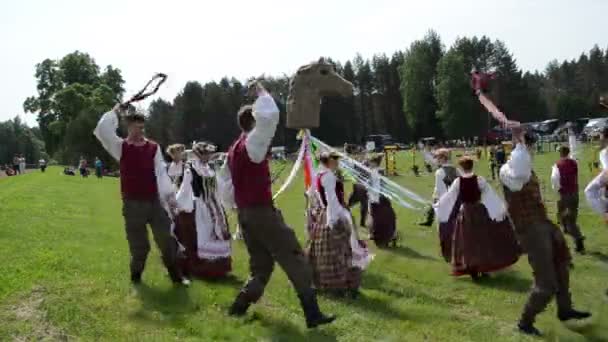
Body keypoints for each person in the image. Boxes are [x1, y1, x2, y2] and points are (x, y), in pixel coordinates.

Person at [220, 82, 335, 328]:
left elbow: (225, 185)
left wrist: (239, 206)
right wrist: (261, 91)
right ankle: (312, 313)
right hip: (260, 212)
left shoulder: (234, 149)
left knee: (261, 266)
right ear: (253, 120)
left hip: (246, 215)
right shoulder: (252, 143)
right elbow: (270, 116)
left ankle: (238, 307)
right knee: (293, 255)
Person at [500, 128, 590, 336]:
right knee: (546, 282)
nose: (532, 151)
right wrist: (520, 144)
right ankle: (525, 322)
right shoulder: (508, 170)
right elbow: (519, 177)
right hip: (529, 230)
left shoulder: (525, 167)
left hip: (543, 224)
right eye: (530, 147)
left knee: (562, 264)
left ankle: (565, 310)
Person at [94, 104, 187, 286]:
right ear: (128, 126)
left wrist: (169, 197)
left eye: (142, 127)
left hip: (153, 202)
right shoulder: (120, 147)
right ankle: (136, 277)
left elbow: (160, 172)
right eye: (137, 127)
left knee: (166, 239)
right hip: (132, 204)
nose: (140, 130)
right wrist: (115, 110)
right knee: (139, 246)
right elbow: (102, 130)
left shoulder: (153, 147)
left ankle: (176, 276)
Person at [435, 156, 520, 280]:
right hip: (479, 211)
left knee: (468, 241)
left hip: (466, 213)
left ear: (461, 167)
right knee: (482, 240)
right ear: (471, 166)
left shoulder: (458, 182)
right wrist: (499, 209)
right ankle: (483, 267)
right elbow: (489, 196)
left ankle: (472, 268)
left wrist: (439, 206)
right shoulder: (480, 180)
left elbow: (449, 197)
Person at [308, 152, 373, 297]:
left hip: (326, 213)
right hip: (334, 214)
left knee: (332, 250)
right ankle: (341, 283)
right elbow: (331, 199)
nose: (337, 162)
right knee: (343, 248)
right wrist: (336, 219)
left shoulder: (321, 174)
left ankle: (329, 282)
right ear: (329, 161)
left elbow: (319, 195)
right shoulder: (329, 176)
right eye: (335, 160)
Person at [174, 141, 231, 279]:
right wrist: (179, 204)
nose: (208, 156)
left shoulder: (209, 169)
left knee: (217, 232)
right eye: (206, 154)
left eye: (209, 154)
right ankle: (204, 267)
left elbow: (219, 185)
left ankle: (218, 266)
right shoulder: (191, 168)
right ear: (200, 154)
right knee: (203, 234)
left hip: (214, 205)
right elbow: (185, 187)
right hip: (200, 206)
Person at [551, 146, 585, 254]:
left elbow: (555, 181)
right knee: (568, 215)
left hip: (565, 194)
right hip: (575, 193)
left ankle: (578, 240)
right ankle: (567, 228)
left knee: (567, 218)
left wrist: (557, 190)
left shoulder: (557, 165)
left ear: (560, 153)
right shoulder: (574, 162)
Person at [433, 149, 461, 261]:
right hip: (456, 202)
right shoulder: (457, 170)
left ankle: (448, 252)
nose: (437, 160)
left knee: (444, 228)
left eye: (438, 158)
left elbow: (439, 190)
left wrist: (435, 201)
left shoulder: (439, 172)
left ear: (443, 158)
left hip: (444, 203)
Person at [367, 155, 397, 247]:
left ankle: (380, 236)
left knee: (377, 218)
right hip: (379, 197)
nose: (369, 164)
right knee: (385, 216)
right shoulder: (380, 171)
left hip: (376, 198)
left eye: (370, 162)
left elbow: (373, 185)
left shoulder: (374, 172)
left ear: (375, 163)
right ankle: (387, 235)